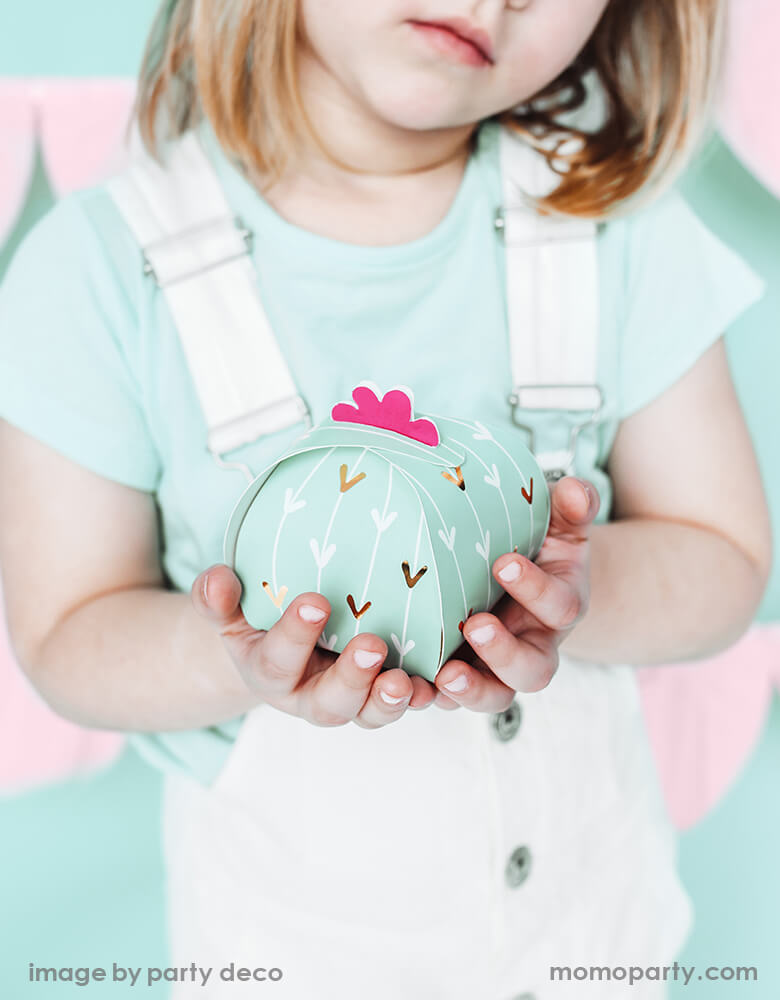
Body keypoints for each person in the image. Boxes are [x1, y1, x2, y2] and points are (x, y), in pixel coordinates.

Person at [0, 0, 772, 997]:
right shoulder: (98, 271)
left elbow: (725, 557)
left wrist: (579, 583)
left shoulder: (613, 229)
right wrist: (244, 653)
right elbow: (69, 634)